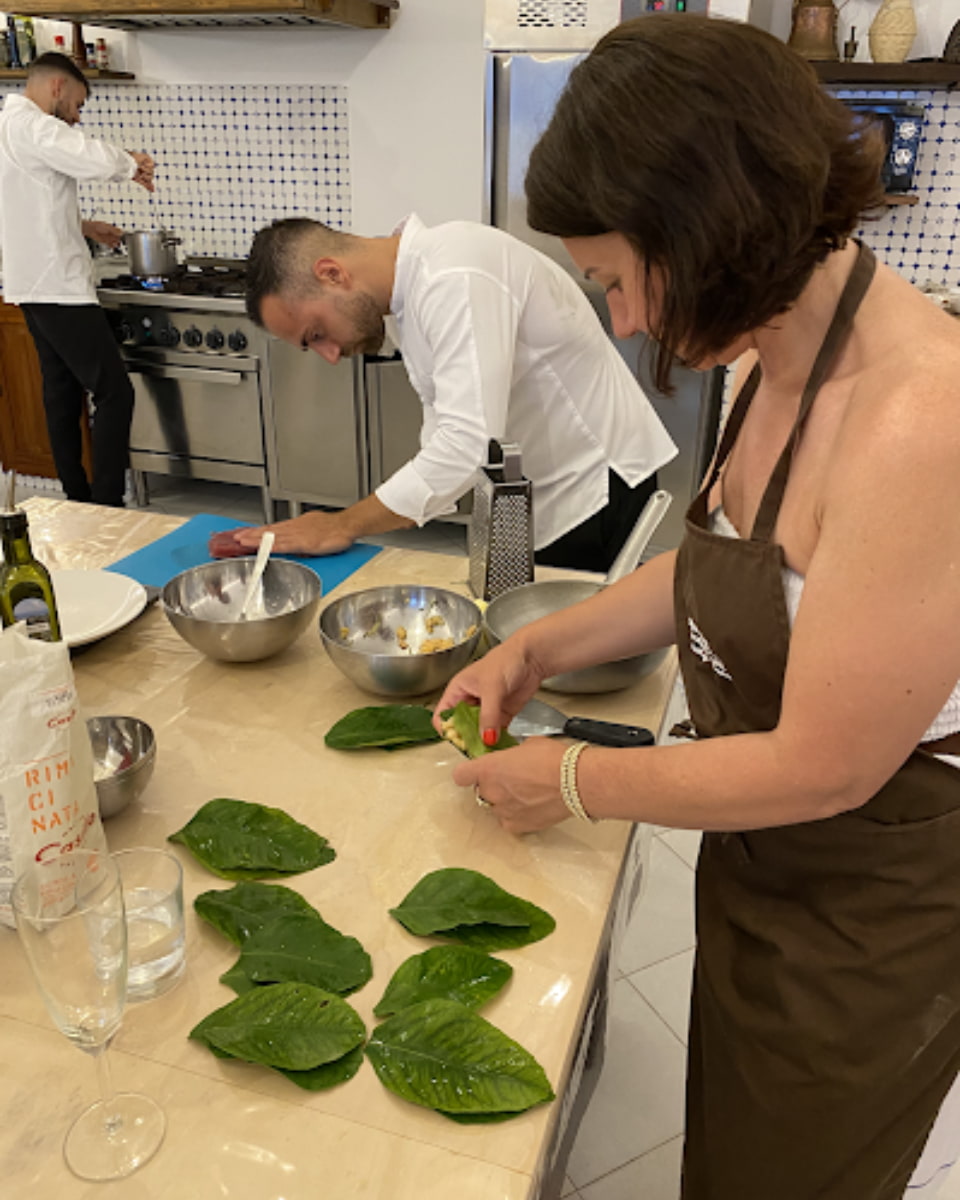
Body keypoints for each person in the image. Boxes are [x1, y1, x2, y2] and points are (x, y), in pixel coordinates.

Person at [433, 15, 960, 1200]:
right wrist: (538, 651)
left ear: (711, 229)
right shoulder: (767, 356)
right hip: (765, 863)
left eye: (618, 278)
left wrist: (569, 779)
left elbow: (829, 766)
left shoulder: (920, 418)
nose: (620, 319)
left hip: (869, 913)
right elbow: (719, 569)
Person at [208, 214, 676, 573]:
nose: (330, 355)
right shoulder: (411, 294)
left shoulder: (453, 275)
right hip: (543, 486)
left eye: (316, 333)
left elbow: (467, 441)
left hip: (597, 483)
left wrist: (341, 524)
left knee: (578, 663)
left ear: (332, 273)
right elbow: (445, 433)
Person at [0, 52, 154, 507]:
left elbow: (29, 199)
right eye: (78, 104)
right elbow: (78, 152)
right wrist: (130, 163)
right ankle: (107, 505)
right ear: (57, 88)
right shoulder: (32, 125)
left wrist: (83, 226)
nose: (77, 115)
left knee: (62, 391)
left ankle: (77, 498)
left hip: (31, 282)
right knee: (115, 393)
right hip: (57, 286)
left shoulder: (8, 127)